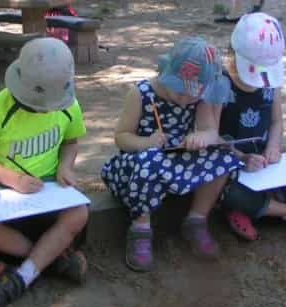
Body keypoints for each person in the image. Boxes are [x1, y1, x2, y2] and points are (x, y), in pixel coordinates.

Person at [0, 38, 89, 307]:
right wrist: (12, 179)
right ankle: (52, 257)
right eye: (38, 104)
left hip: (48, 189)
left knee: (79, 213)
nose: (46, 110)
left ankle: (24, 275)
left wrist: (65, 166)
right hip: (2, 187)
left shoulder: (68, 104)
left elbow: (71, 142)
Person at [101, 37, 242, 272]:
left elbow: (210, 131)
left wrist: (201, 138)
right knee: (149, 161)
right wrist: (146, 142)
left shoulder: (200, 98)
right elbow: (122, 137)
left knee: (224, 157)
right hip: (137, 165)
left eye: (193, 94)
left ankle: (197, 219)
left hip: (176, 161)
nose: (186, 98)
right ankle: (141, 227)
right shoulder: (141, 93)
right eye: (180, 90)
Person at [217, 12, 286, 242]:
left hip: (266, 163)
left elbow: (276, 121)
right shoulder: (220, 84)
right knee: (229, 193)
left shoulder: (271, 84)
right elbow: (212, 136)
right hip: (232, 163)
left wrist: (274, 146)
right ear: (233, 56)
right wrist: (242, 157)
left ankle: (258, 206)